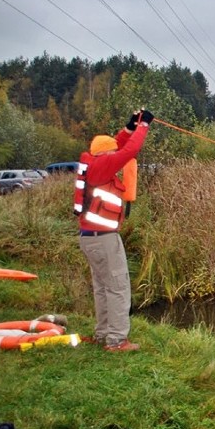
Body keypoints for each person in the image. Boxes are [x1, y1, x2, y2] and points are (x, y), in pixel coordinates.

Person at [74, 109, 154, 352]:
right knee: (118, 287)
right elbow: (129, 151)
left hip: (90, 238)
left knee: (102, 287)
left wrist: (130, 126)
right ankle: (117, 340)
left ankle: (103, 334)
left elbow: (119, 145)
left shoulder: (92, 161)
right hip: (104, 239)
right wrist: (144, 127)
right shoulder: (103, 166)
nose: (115, 155)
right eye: (112, 152)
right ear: (105, 154)